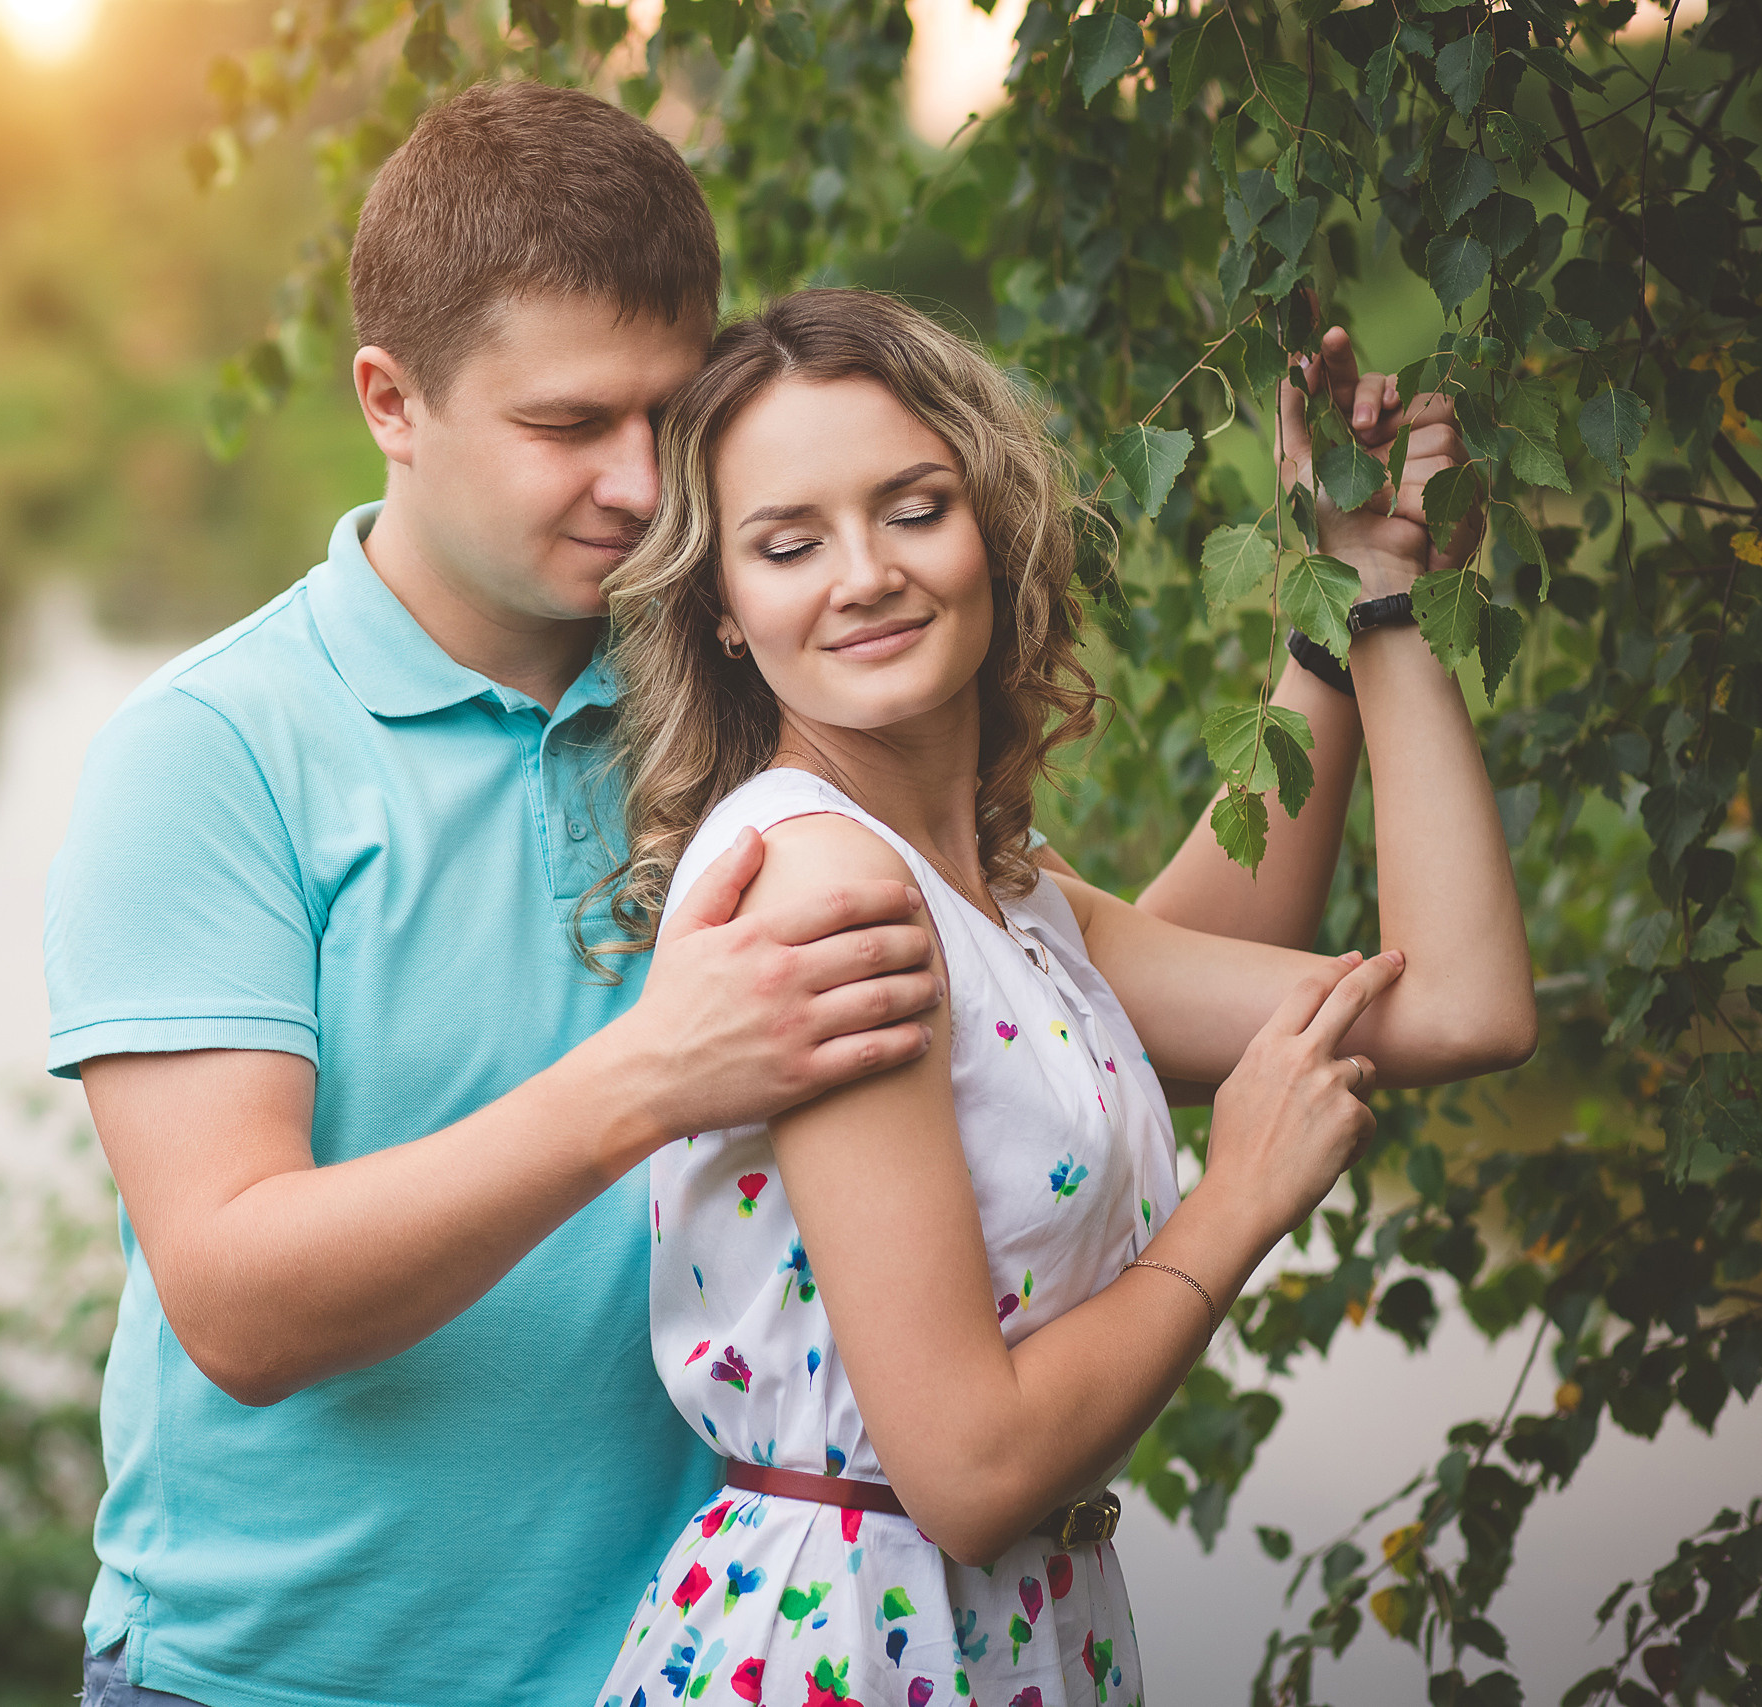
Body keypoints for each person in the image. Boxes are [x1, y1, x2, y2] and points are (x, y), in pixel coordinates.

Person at [45, 83, 1413, 1707]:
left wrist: (1330, 630)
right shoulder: (213, 753)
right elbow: (238, 1303)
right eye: (568, 426)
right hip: (281, 1681)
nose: (637, 482)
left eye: (668, 414)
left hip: (687, 1654)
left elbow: (1081, 984)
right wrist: (650, 1073)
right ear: (389, 401)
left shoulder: (743, 699)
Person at [586, 290, 1536, 1707]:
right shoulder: (828, 892)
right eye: (788, 543)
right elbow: (967, 1474)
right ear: (723, 610)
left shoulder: (1002, 896)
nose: (864, 575)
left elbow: (1458, 1005)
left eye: (913, 508)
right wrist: (1236, 1201)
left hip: (1012, 1634)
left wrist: (1367, 589)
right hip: (849, 1647)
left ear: (992, 528)